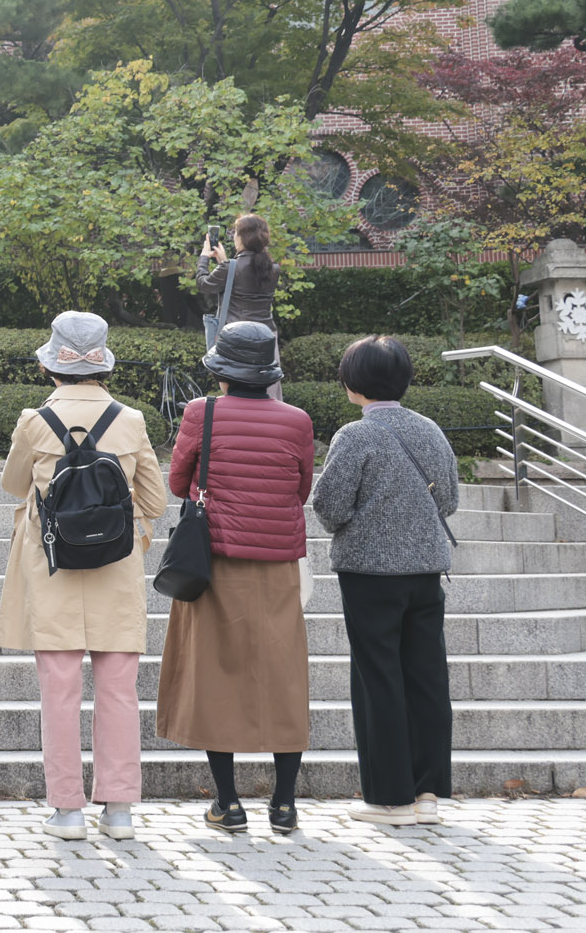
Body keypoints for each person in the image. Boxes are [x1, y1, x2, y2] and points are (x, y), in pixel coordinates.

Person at [0, 311, 167, 841]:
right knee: (118, 690)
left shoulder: (33, 421)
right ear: (103, 367)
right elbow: (156, 500)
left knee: (60, 690)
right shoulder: (131, 421)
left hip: (54, 569)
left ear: (53, 365)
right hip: (116, 569)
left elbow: (11, 484)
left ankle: (67, 810)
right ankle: (118, 812)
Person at [156, 322, 316, 835]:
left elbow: (179, 482)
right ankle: (285, 805)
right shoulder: (297, 420)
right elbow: (301, 488)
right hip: (276, 564)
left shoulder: (202, 413)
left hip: (215, 562)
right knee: (284, 677)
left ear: (220, 371)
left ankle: (228, 803)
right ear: (268, 372)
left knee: (214, 677)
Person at [308, 335, 458, 827]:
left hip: (370, 572)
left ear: (352, 383)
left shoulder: (355, 436)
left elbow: (329, 506)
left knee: (379, 679)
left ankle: (390, 799)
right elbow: (450, 500)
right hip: (426, 569)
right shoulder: (431, 429)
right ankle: (429, 793)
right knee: (427, 677)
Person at [199, 213, 281, 399]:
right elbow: (247, 282)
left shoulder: (231, 267)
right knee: (267, 395)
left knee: (237, 394)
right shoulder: (273, 269)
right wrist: (225, 263)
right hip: (267, 338)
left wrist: (204, 257)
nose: (234, 237)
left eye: (235, 232)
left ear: (243, 237)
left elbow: (203, 284)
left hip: (237, 338)